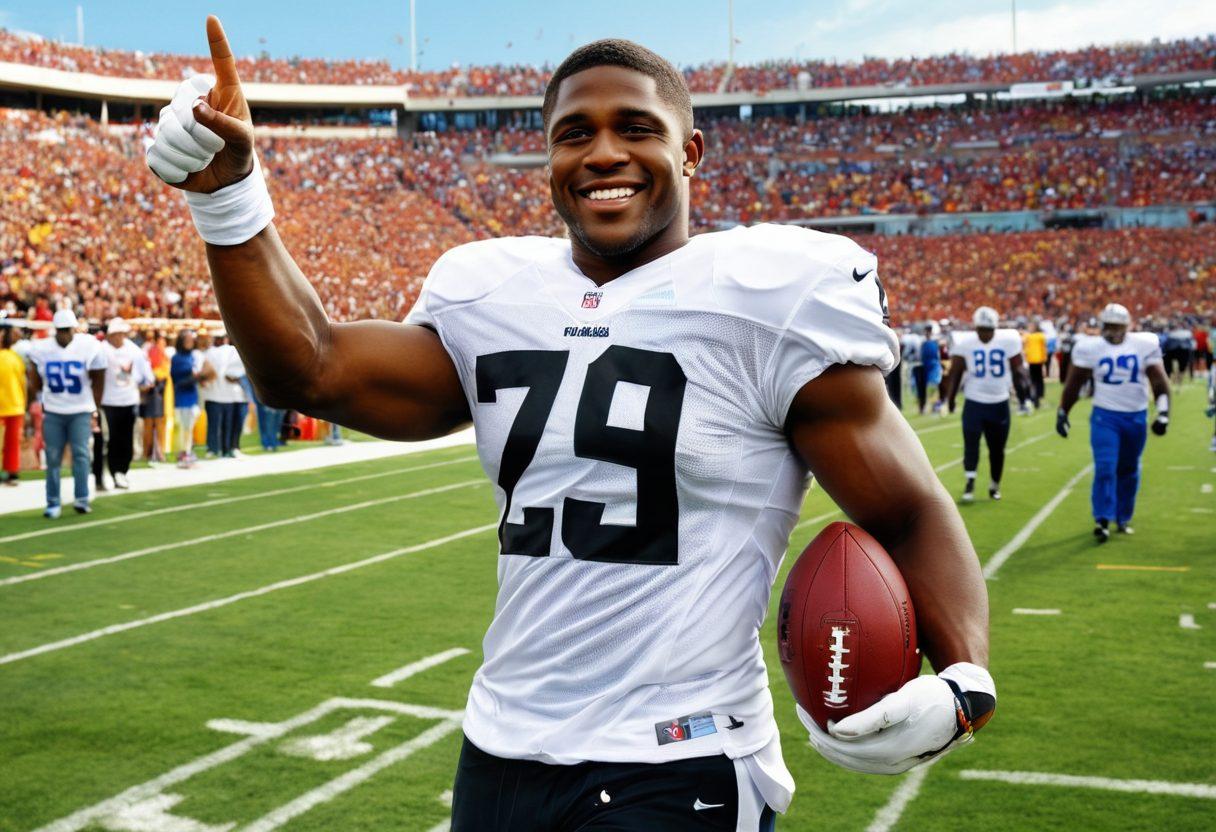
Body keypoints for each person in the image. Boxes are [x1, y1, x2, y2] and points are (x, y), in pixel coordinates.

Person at [148, 20, 996, 828]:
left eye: (635, 127)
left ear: (690, 151)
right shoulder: (491, 293)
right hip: (500, 748)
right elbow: (311, 368)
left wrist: (964, 676)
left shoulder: (770, 298)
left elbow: (906, 510)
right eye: (573, 133)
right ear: (549, 159)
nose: (602, 154)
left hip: (682, 760)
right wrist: (232, 202)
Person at [1057, 303, 1171, 542]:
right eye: (1109, 326)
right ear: (1102, 326)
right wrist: (1062, 412)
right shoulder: (1090, 347)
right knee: (1106, 467)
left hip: (1136, 416)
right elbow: (1074, 383)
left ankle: (1123, 516)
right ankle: (1102, 519)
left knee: (1128, 470)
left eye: (1117, 326)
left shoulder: (1144, 344)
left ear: (1127, 326)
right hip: (1104, 416)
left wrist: (1163, 413)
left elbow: (1159, 382)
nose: (1113, 331)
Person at [941, 307, 1031, 503]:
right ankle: (970, 482)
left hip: (999, 403)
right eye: (981, 329)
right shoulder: (965, 343)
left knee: (997, 448)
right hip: (974, 402)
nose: (985, 334)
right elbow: (955, 373)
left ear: (995, 328)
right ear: (976, 327)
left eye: (988, 329)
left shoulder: (1008, 340)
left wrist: (1025, 395)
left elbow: (1018, 370)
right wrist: (950, 399)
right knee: (971, 445)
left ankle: (994, 484)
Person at [25, 309, 106, 517]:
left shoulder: (87, 346)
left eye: (66, 330)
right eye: (60, 330)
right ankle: (53, 502)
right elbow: (34, 379)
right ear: (55, 330)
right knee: (52, 457)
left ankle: (81, 498)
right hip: (53, 410)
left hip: (80, 410)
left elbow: (99, 376)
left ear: (74, 329)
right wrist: (35, 397)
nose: (64, 335)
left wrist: (94, 406)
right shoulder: (42, 349)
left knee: (80, 455)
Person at [98, 317, 155, 489]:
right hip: (109, 401)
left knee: (126, 437)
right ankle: (114, 471)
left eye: (122, 334)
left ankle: (122, 470)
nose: (119, 337)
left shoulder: (134, 350)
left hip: (129, 400)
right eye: (116, 334)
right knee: (113, 438)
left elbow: (146, 373)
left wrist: (147, 382)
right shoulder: (102, 351)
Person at [169, 328, 207, 467]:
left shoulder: (193, 356)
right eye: (187, 340)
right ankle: (183, 453)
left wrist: (200, 378)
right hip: (182, 397)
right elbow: (176, 380)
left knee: (189, 427)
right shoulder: (177, 358)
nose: (190, 343)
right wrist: (194, 378)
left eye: (191, 340)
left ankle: (187, 451)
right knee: (184, 428)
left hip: (192, 395)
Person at [0, 322, 27, 486]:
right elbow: (23, 383)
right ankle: (11, 472)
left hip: (12, 406)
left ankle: (12, 471)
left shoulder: (15, 357)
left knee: (12, 443)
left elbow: (22, 383)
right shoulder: (15, 357)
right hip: (15, 406)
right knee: (12, 443)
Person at [1023, 321, 1048, 405]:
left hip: (1036, 360)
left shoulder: (1036, 336)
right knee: (1037, 379)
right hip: (1033, 360)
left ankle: (1037, 395)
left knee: (1036, 379)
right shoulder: (1039, 336)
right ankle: (1038, 394)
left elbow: (1043, 348)